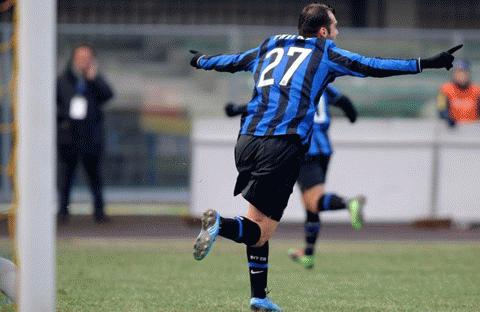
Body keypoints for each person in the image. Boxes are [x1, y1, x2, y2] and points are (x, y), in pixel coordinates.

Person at [190, 3, 461, 311]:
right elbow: (371, 65)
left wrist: (202, 60)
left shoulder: (270, 45)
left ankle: (259, 297)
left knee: (256, 220)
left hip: (246, 141)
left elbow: (233, 61)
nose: (337, 31)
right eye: (335, 26)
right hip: (282, 146)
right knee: (261, 231)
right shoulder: (325, 53)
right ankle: (220, 226)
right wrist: (425, 63)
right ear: (322, 31)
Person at [225, 85, 365, 271]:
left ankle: (348, 203)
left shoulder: (291, 85)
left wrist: (236, 109)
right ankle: (308, 253)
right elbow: (344, 101)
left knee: (313, 199)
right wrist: (352, 116)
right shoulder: (323, 83)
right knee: (310, 201)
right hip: (324, 148)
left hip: (303, 146)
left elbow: (263, 104)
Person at [56, 44, 114, 223]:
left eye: (87, 58)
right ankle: (63, 212)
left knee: (94, 176)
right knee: (66, 176)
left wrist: (93, 79)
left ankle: (99, 212)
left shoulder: (95, 80)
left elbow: (108, 95)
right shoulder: (64, 80)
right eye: (80, 57)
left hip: (91, 136)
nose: (84, 61)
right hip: (69, 136)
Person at [437, 59, 480, 127]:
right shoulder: (445, 89)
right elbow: (441, 108)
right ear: (454, 74)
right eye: (458, 72)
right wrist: (448, 118)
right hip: (453, 129)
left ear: (468, 73)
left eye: (464, 72)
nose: (461, 75)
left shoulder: (477, 90)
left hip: (472, 128)